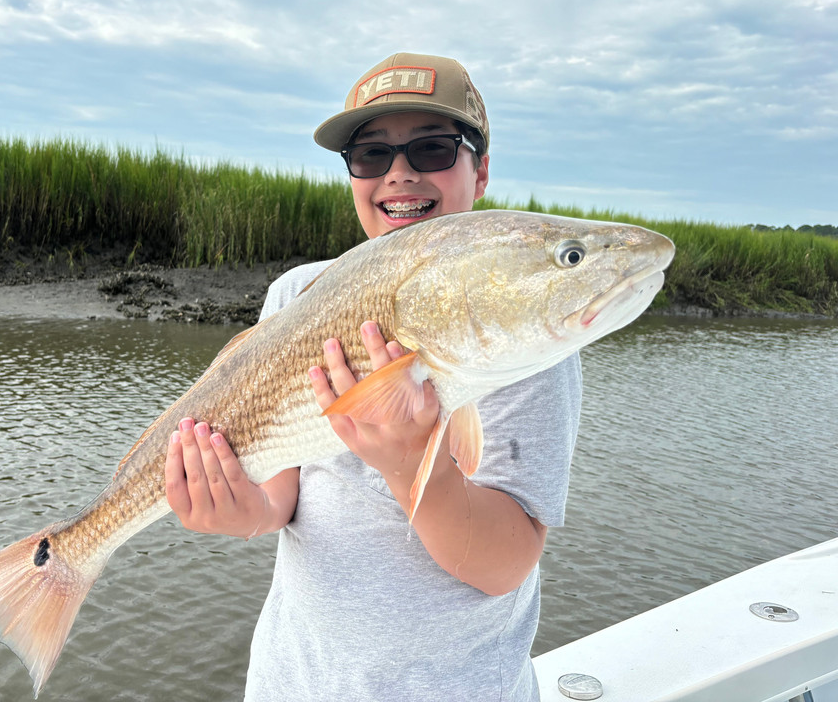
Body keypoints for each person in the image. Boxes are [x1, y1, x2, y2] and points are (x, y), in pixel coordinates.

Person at [164, 52, 582, 701]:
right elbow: (281, 496)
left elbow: (505, 564)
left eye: (433, 148)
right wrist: (243, 512)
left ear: (481, 172)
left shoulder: (524, 335)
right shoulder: (296, 293)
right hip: (292, 682)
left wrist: (416, 467)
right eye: (370, 155)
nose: (399, 174)